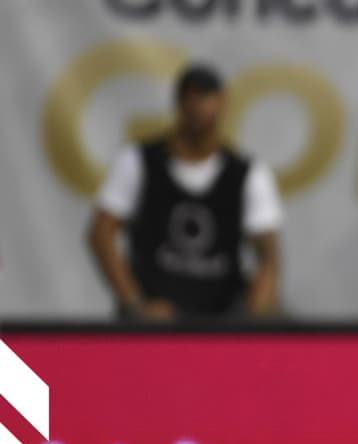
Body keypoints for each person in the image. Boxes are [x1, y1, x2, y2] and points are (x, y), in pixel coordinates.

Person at [88, 63, 283, 321]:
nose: (196, 106)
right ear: (178, 103)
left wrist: (252, 322)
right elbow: (101, 234)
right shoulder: (139, 161)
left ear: (222, 102)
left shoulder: (248, 173)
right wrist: (135, 305)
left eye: (205, 97)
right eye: (189, 97)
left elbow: (268, 259)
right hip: (154, 323)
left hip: (221, 320)